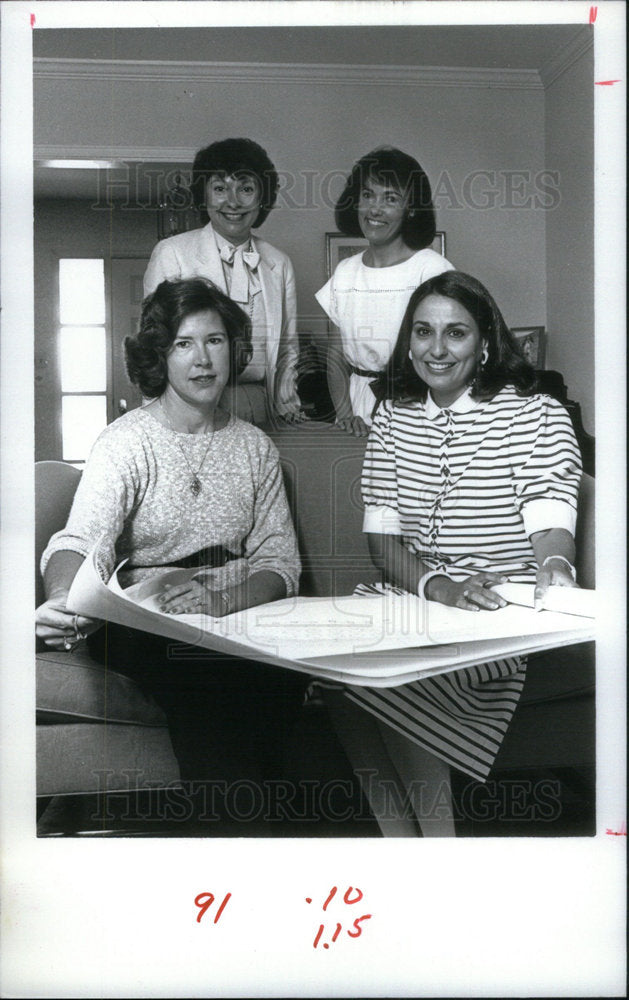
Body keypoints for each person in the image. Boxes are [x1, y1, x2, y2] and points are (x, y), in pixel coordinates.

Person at [325, 270, 583, 836]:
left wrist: (556, 569)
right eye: (423, 332)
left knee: (401, 677)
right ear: (408, 340)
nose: (436, 350)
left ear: (485, 342)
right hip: (416, 598)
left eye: (456, 334)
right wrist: (434, 586)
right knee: (335, 679)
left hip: (495, 612)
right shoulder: (390, 418)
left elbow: (549, 523)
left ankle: (440, 854)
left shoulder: (535, 415)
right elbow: (384, 541)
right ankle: (406, 847)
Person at [36, 278, 303, 791]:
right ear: (160, 355)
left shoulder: (255, 447)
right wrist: (64, 599)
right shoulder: (125, 443)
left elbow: (280, 564)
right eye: (184, 344)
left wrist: (222, 602)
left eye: (215, 340)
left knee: (279, 676)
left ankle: (258, 836)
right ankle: (239, 847)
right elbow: (80, 540)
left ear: (234, 348)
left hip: (235, 613)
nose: (202, 359)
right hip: (145, 621)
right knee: (207, 680)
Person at [144, 137, 304, 424]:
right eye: (219, 188)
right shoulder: (173, 254)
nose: (232, 202)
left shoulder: (279, 263)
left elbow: (288, 347)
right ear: (203, 195)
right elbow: (153, 347)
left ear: (262, 197)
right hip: (189, 410)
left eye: (245, 188)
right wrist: (157, 420)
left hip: (260, 404)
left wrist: (287, 404)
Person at [315, 146, 454, 435]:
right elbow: (336, 358)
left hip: (418, 409)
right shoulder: (345, 272)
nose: (374, 209)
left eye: (390, 198)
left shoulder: (431, 270)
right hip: (356, 410)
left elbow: (447, 355)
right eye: (367, 195)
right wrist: (346, 416)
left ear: (411, 208)